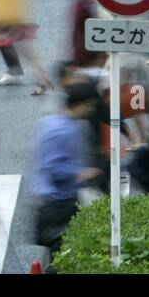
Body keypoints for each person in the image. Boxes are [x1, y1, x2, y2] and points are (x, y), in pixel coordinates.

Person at [31, 81, 101, 265]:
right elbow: (51, 166)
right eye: (90, 106)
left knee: (58, 259)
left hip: (57, 202)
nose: (92, 110)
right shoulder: (62, 130)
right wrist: (81, 173)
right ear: (77, 105)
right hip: (59, 205)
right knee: (60, 261)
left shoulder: (53, 122)